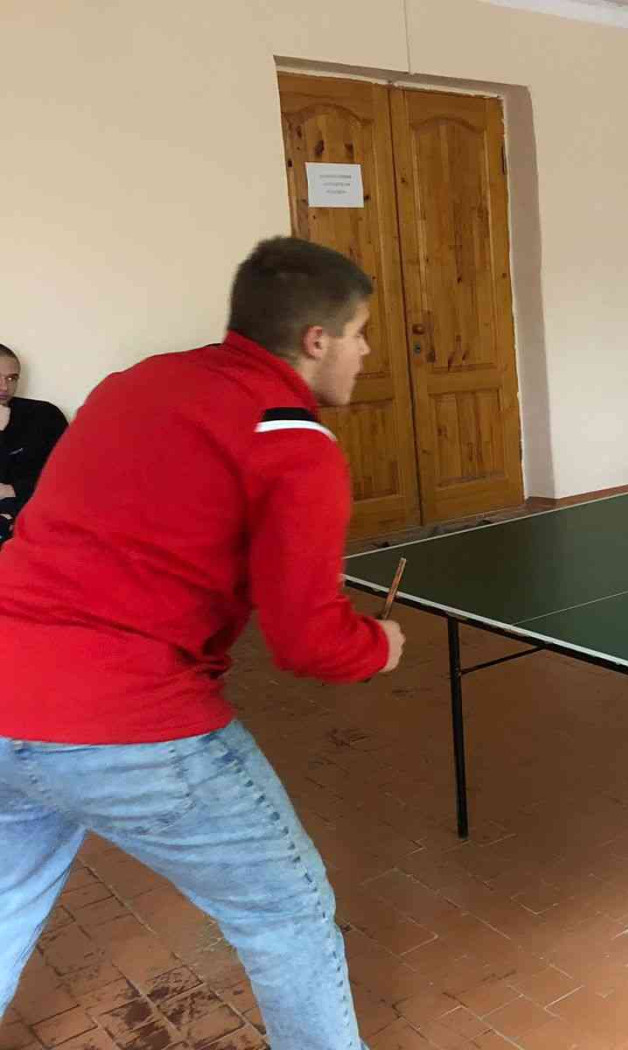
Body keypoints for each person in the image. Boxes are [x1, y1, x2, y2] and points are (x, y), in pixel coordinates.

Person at [0, 237, 406, 1050]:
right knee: (285, 909)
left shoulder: (136, 382)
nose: (365, 352)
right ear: (317, 340)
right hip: (126, 718)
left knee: (5, 899)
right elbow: (308, 644)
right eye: (359, 333)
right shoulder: (295, 444)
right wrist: (377, 644)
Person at [0, 345, 68, 544]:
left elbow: (68, 474)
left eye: (12, 378)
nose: (4, 387)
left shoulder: (44, 416)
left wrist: (13, 490)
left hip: (33, 514)